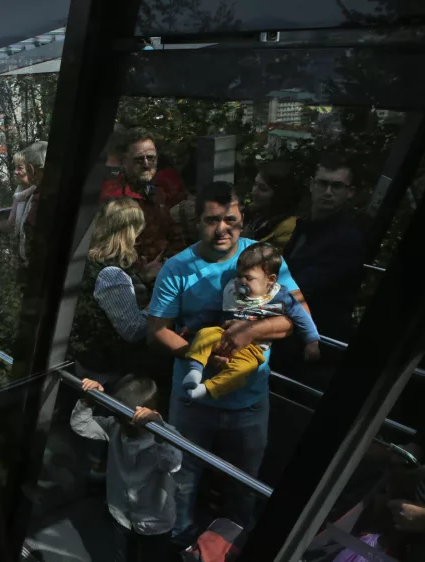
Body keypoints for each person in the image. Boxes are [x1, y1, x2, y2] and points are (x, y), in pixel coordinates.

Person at [146, 181, 305, 543]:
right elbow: (157, 330)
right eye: (212, 220)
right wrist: (199, 355)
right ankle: (182, 540)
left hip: (249, 401)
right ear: (197, 222)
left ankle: (235, 542)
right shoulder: (178, 268)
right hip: (192, 399)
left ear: (242, 219)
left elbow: (296, 316)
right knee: (182, 479)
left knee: (244, 482)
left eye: (230, 220)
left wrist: (249, 334)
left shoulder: (263, 259)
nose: (222, 229)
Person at [181, 243, 320, 400]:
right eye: (240, 276)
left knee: (244, 369)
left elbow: (302, 317)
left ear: (271, 280)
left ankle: (207, 389)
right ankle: (195, 370)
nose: (242, 282)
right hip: (223, 335)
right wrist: (192, 326)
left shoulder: (280, 297)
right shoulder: (232, 290)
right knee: (205, 334)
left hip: (253, 349)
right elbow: (211, 310)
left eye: (249, 278)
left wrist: (312, 341)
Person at [70, 376, 182, 562]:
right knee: (122, 555)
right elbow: (81, 425)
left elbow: (173, 463)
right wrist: (88, 400)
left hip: (154, 522)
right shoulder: (116, 426)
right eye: (118, 417)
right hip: (120, 514)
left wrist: (159, 431)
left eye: (127, 421)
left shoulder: (167, 436)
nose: (122, 425)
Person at [70, 199, 166, 383]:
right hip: (109, 372)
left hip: (88, 359)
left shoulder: (88, 259)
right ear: (129, 232)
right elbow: (134, 330)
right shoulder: (111, 274)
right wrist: (162, 292)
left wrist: (143, 277)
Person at [282, 154, 365, 341]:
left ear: (349, 192)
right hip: (291, 323)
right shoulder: (304, 225)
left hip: (316, 335)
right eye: (322, 184)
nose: (328, 192)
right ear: (312, 185)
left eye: (336, 186)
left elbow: (304, 287)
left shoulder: (346, 239)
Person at [100, 128, 186, 270]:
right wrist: (140, 275)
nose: (146, 164)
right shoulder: (112, 198)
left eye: (151, 158)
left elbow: (175, 236)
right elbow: (107, 253)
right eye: (139, 159)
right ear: (124, 162)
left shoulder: (159, 192)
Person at [242, 161, 305, 251]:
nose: (254, 192)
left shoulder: (288, 227)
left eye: (262, 189)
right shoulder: (255, 214)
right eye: (255, 184)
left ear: (279, 195)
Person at [4, 141, 47, 266]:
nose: (15, 172)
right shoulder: (19, 192)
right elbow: (12, 224)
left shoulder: (38, 196)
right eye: (15, 167)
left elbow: (30, 231)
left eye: (21, 167)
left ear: (31, 169)